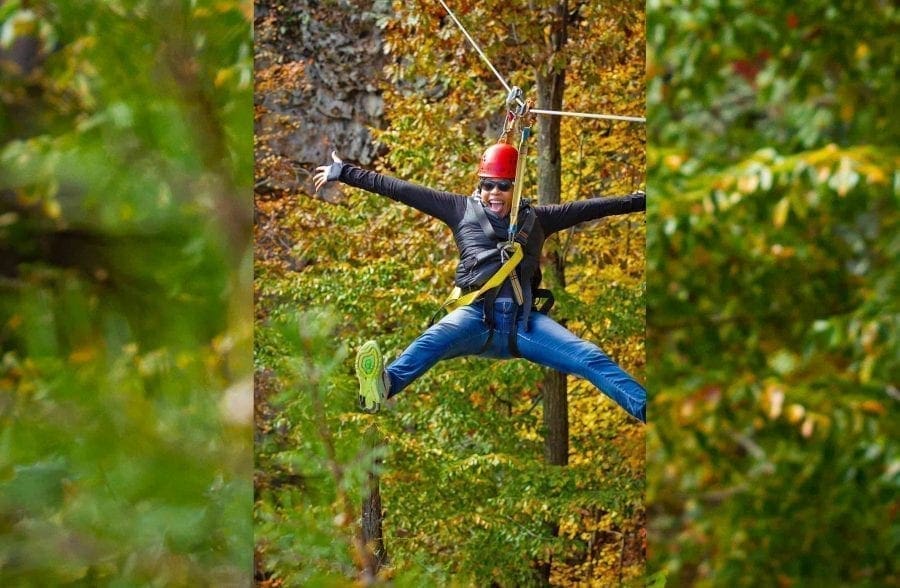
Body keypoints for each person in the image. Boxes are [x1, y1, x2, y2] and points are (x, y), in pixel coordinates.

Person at [313, 142, 647, 422]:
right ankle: (381, 388)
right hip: (474, 318)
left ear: (516, 188)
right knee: (434, 339)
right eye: (488, 185)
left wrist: (640, 199)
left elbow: (592, 208)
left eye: (503, 186)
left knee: (588, 356)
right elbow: (400, 190)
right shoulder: (459, 209)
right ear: (479, 185)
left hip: (522, 325)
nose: (494, 193)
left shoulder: (539, 219)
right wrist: (345, 173)